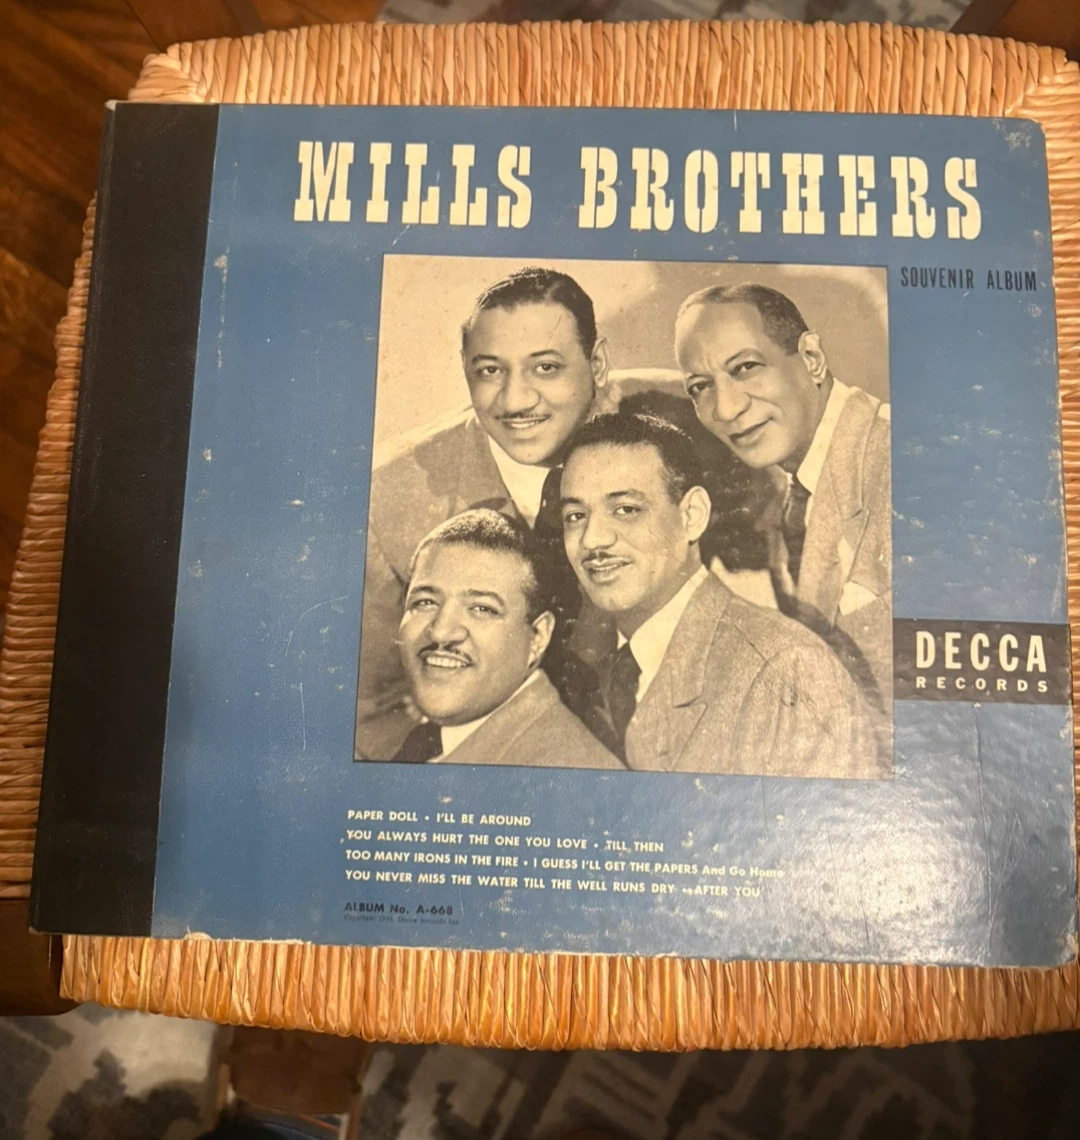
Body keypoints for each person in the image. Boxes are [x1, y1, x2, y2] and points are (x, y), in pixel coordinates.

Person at [355, 265, 755, 761]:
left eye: (546, 368)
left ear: (597, 363)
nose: (516, 400)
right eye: (489, 371)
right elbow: (371, 711)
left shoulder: (698, 419)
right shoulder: (389, 497)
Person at [559, 411, 879, 777]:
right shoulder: (600, 672)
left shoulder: (786, 671)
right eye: (575, 516)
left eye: (626, 509)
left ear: (692, 515)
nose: (592, 539)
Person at [674, 282, 892, 716]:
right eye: (700, 387)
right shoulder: (794, 489)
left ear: (811, 358)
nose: (726, 409)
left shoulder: (894, 464)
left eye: (746, 367)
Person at [392, 509, 622, 769]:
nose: (441, 631)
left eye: (482, 608)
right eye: (425, 602)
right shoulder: (429, 743)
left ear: (538, 637)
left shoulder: (567, 769)